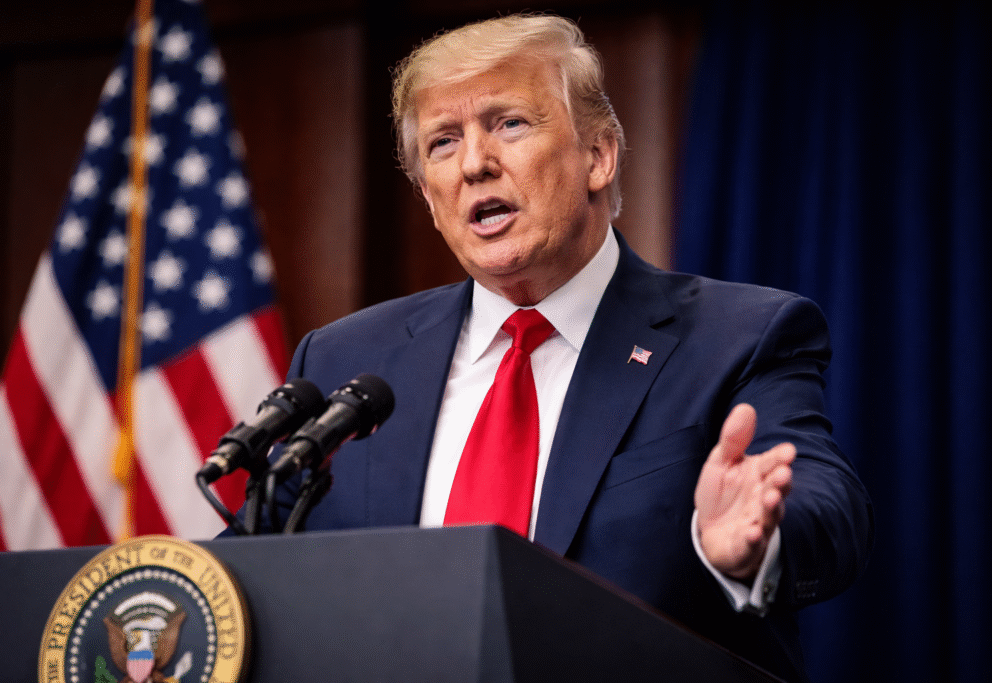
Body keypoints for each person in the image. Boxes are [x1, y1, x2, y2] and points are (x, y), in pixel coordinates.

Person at [232, 13, 873, 682]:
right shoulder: (345, 361)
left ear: (598, 156)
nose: (474, 164)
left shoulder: (737, 337)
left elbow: (828, 505)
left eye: (509, 123)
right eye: (444, 142)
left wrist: (759, 541)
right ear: (428, 195)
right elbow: (249, 561)